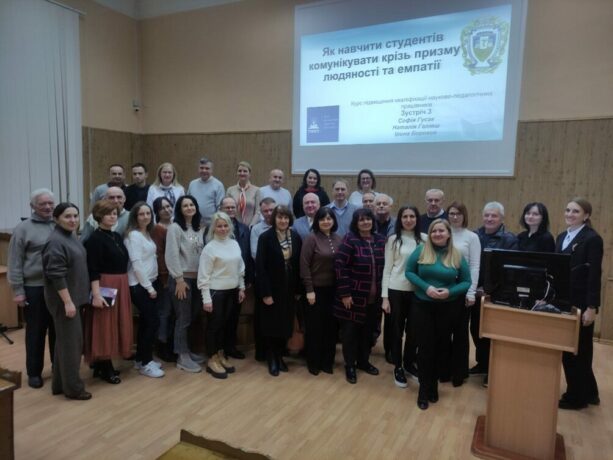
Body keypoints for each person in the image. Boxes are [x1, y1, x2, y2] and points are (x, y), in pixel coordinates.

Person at [405, 219, 471, 410]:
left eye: (441, 231)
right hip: (422, 306)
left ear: (448, 234)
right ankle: (424, 389)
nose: (437, 234)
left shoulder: (456, 254)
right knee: (425, 348)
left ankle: (433, 385)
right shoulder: (421, 250)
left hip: (448, 307)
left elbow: (466, 281)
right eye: (434, 231)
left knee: (441, 348)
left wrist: (450, 292)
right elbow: (409, 272)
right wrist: (426, 288)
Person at [556, 198, 603, 410]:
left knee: (579, 351)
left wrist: (592, 307)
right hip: (564, 302)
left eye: (575, 211)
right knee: (571, 349)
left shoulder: (592, 239)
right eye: (568, 210)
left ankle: (576, 398)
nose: (570, 214)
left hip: (582, 304)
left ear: (586, 216)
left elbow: (594, 276)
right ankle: (590, 392)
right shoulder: (561, 237)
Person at [42, 202, 91, 400]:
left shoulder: (70, 235)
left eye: (75, 216)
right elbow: (56, 274)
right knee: (72, 345)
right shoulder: (55, 241)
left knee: (64, 342)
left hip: (74, 298)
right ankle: (73, 389)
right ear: (56, 219)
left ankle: (59, 385)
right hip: (65, 301)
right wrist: (68, 302)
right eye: (67, 216)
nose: (73, 220)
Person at [8, 189, 56, 389]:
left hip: (58, 288)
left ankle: (58, 367)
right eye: (42, 204)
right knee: (36, 332)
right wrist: (18, 291)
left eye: (50, 203)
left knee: (57, 330)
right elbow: (15, 262)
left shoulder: (59, 224)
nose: (48, 207)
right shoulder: (23, 229)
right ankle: (34, 372)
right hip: (34, 288)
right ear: (32, 206)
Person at [83, 200, 133, 384]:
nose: (112, 216)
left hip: (120, 283)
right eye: (108, 213)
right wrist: (96, 294)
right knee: (104, 324)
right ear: (99, 216)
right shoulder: (94, 239)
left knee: (115, 322)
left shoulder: (116, 236)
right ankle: (104, 366)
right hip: (105, 284)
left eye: (114, 213)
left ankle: (101, 364)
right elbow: (93, 269)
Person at [334, 208, 385, 384]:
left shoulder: (380, 240)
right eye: (361, 220)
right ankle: (350, 365)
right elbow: (340, 265)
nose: (365, 222)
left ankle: (363, 361)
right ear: (356, 223)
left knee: (368, 333)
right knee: (350, 334)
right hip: (353, 298)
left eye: (368, 219)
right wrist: (345, 293)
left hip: (374, 299)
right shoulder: (350, 239)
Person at [471, 202, 518, 386]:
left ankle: (493, 370)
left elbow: (509, 270)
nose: (489, 219)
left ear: (501, 218)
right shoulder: (475, 235)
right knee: (476, 329)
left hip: (496, 295)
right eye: (487, 215)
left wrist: (489, 290)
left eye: (494, 216)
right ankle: (482, 364)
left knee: (492, 333)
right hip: (475, 293)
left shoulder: (510, 239)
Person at [198, 212, 246, 379]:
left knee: (225, 325)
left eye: (226, 225)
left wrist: (241, 287)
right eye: (219, 226)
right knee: (214, 326)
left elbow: (240, 268)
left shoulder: (234, 243)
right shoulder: (209, 248)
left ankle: (220, 354)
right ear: (214, 228)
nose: (223, 229)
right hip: (215, 292)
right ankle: (212, 359)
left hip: (232, 291)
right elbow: (203, 276)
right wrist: (206, 299)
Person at [256, 205, 302, 376]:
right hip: (272, 288)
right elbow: (260, 267)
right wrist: (266, 293)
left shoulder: (295, 237)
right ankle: (271, 357)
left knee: (285, 324)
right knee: (271, 325)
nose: (283, 221)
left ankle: (280, 355)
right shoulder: (265, 237)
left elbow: (298, 265)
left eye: (286, 218)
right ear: (274, 219)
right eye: (279, 217)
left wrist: (298, 289)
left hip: (289, 288)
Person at [381, 205, 424, 387]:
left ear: (417, 219)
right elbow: (387, 269)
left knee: (414, 331)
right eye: (405, 216)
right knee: (396, 331)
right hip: (396, 290)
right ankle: (398, 366)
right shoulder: (393, 240)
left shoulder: (425, 239)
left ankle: (409, 363)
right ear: (400, 219)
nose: (408, 220)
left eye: (412, 216)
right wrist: (385, 297)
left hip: (417, 292)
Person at [165, 195, 205, 373]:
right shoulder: (175, 228)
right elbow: (171, 254)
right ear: (180, 210)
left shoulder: (199, 228)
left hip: (197, 280)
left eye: (192, 204)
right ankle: (182, 356)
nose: (189, 208)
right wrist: (179, 279)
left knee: (192, 316)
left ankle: (187, 350)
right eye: (185, 205)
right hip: (182, 280)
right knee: (183, 318)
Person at [124, 202, 165, 378]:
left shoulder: (146, 233)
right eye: (141, 214)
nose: (145, 217)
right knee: (152, 322)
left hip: (150, 282)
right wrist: (148, 287)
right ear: (135, 216)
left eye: (148, 213)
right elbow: (137, 264)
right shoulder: (133, 235)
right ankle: (146, 363)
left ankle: (141, 359)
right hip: (139, 285)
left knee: (147, 322)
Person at [300, 207, 342, 375]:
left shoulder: (338, 238)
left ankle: (327, 362)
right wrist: (309, 289)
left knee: (331, 328)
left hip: (334, 290)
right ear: (317, 221)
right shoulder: (311, 238)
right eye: (322, 219)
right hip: (315, 291)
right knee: (315, 328)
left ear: (333, 221)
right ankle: (314, 362)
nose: (326, 221)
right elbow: (304, 265)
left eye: (329, 218)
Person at [446, 202, 481, 386]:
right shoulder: (442, 233)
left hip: (462, 290)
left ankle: (459, 373)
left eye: (458, 213)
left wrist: (471, 292)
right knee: (443, 331)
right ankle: (443, 369)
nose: (454, 217)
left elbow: (474, 266)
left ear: (464, 215)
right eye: (451, 213)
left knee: (460, 332)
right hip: (443, 288)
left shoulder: (472, 237)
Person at [151, 197, 175, 362]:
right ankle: (161, 345)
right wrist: (164, 277)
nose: (167, 210)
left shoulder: (175, 225)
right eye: (162, 208)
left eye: (169, 206)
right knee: (164, 312)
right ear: (157, 212)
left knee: (173, 312)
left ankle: (171, 344)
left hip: (176, 275)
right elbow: (159, 255)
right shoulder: (157, 229)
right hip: (164, 277)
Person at [187, 157, 225, 226]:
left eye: (207, 168)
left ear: (212, 170)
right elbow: (187, 203)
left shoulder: (218, 185)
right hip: (193, 223)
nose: (204, 170)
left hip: (211, 225)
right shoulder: (192, 184)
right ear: (198, 169)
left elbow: (220, 208)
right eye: (201, 168)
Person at [225, 161, 260, 226]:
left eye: (245, 171)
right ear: (237, 173)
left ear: (249, 174)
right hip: (233, 226)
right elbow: (226, 209)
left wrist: (251, 226)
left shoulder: (257, 190)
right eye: (239, 171)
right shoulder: (230, 190)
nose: (242, 173)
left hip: (251, 226)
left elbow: (258, 211)